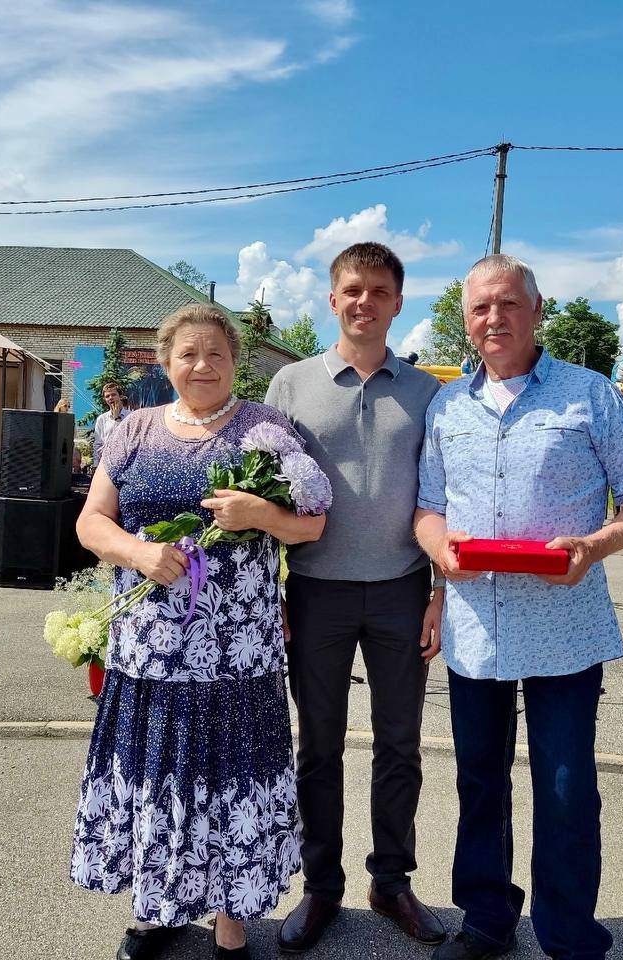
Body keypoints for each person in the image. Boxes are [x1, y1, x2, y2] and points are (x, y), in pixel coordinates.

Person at [414, 255, 623, 960]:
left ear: (537, 308)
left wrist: (592, 544)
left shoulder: (589, 395)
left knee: (564, 788)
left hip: (565, 627)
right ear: (466, 320)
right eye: (479, 308)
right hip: (476, 627)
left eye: (507, 304)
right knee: (478, 781)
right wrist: (440, 554)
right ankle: (486, 919)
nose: (493, 319)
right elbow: (428, 509)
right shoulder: (447, 406)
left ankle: (570, 936)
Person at [72, 303, 328, 960]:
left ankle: (230, 918)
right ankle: (155, 910)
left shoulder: (266, 428)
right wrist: (137, 552)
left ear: (235, 361)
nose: (203, 365)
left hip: (238, 650)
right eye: (188, 353)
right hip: (152, 653)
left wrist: (260, 513)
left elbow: (312, 525)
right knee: (161, 778)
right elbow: (91, 523)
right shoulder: (132, 431)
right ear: (166, 363)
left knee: (231, 779)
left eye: (216, 353)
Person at [265, 242, 446, 953]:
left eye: (378, 290)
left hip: (403, 588)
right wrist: (273, 589)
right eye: (352, 289)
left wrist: (439, 591)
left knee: (400, 745)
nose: (364, 301)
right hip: (316, 592)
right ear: (332, 298)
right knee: (318, 746)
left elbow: (446, 497)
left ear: (398, 302)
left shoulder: (427, 392)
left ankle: (391, 881)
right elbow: (265, 490)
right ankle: (321, 887)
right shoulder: (291, 386)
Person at [92, 382, 130, 469]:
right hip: (107, 463)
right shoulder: (102, 419)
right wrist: (96, 464)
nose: (110, 398)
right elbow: (98, 444)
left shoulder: (130, 416)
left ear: (120, 396)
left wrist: (117, 419)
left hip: (126, 462)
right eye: (107, 396)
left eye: (113, 395)